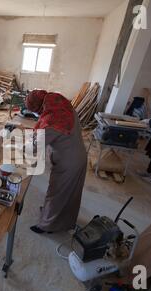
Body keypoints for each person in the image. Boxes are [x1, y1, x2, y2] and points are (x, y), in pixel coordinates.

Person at [26, 90, 87, 234]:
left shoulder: (52, 122)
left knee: (57, 193)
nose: (38, 115)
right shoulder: (59, 103)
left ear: (40, 107)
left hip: (69, 162)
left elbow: (34, 147)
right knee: (69, 193)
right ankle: (62, 221)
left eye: (36, 112)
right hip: (77, 155)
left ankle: (47, 225)